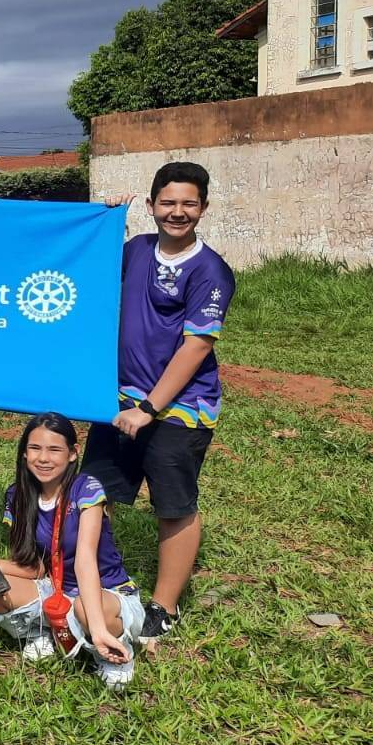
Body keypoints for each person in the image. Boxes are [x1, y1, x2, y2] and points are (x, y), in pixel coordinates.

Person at [83, 161, 234, 644]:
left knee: (173, 505)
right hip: (121, 400)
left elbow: (197, 347)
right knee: (94, 493)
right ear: (151, 205)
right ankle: (97, 580)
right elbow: (90, 265)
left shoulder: (211, 272)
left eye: (189, 203)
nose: (177, 212)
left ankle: (164, 607)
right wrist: (106, 220)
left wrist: (148, 408)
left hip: (179, 409)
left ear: (204, 208)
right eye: (168, 202)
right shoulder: (137, 250)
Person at [0, 413, 144, 690]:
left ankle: (112, 652)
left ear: (73, 453)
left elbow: (85, 560)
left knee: (84, 607)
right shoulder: (18, 495)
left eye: (54, 450)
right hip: (56, 588)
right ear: (24, 452)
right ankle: (41, 632)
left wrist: (98, 628)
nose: (43, 458)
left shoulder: (86, 489)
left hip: (105, 592)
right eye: (35, 448)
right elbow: (34, 567)